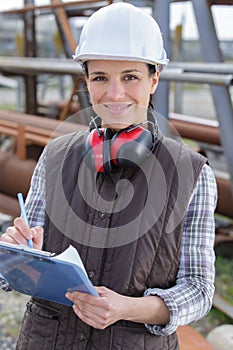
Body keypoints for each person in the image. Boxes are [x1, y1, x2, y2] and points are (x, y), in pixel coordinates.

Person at [0, 3, 217, 350]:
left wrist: (129, 308)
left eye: (130, 77)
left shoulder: (192, 174)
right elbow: (18, 270)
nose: (114, 94)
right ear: (86, 81)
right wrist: (19, 255)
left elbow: (199, 290)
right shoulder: (54, 157)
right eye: (100, 78)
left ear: (154, 79)